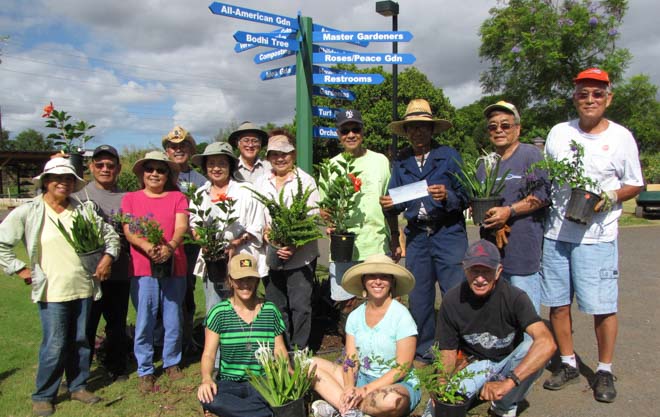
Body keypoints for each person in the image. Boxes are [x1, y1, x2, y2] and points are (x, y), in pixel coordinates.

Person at [541, 68, 644, 403]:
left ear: (608, 98)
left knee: (602, 306)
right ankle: (568, 363)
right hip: (556, 233)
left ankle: (603, 369)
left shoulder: (621, 137)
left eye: (597, 94)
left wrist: (611, 197)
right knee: (557, 304)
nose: (590, 99)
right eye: (583, 93)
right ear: (575, 97)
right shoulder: (559, 132)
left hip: (597, 236)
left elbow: (634, 183)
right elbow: (546, 178)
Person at [0, 157, 119, 417]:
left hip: (84, 286)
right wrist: (19, 269)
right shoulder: (29, 211)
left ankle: (78, 386)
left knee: (80, 341)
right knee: (54, 343)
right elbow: (2, 243)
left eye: (68, 179)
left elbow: (110, 236)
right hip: (52, 290)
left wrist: (107, 258)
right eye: (57, 178)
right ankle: (44, 395)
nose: (63, 183)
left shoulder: (83, 209)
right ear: (46, 182)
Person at [421, 240, 556, 417]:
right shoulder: (452, 300)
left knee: (534, 346)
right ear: (464, 269)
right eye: (474, 271)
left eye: (486, 271)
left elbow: (548, 343)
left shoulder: (515, 297)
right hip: (475, 364)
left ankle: (504, 405)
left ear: (499, 271)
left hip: (509, 362)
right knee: (435, 412)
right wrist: (441, 386)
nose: (480, 278)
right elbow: (448, 351)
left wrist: (509, 382)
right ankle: (475, 391)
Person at [380, 98, 469, 363]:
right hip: (417, 235)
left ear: (432, 130)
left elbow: (467, 196)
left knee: (454, 293)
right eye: (412, 128)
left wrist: (448, 196)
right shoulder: (401, 162)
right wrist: (388, 204)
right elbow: (395, 200)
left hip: (448, 232)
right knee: (419, 297)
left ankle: (458, 347)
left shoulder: (449, 156)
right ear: (406, 132)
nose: (417, 132)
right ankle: (425, 349)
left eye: (422, 127)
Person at [310, 254, 421, 417]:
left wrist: (365, 390)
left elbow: (401, 369)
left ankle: (342, 407)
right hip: (360, 378)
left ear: (392, 282)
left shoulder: (402, 316)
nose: (377, 281)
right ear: (363, 281)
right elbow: (350, 358)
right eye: (372, 276)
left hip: (396, 384)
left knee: (392, 401)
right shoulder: (355, 316)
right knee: (309, 364)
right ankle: (352, 408)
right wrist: (348, 386)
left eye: (384, 277)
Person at [318, 109, 397, 332]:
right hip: (344, 246)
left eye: (355, 129)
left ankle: (380, 348)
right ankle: (350, 350)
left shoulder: (380, 161)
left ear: (363, 131)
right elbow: (324, 207)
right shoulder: (331, 167)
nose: (351, 134)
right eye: (345, 130)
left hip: (375, 243)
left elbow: (389, 204)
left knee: (379, 299)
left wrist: (396, 238)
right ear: (338, 134)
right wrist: (329, 221)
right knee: (345, 301)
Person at [121, 151, 189, 393]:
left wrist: (169, 247)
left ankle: (172, 362)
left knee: (172, 316)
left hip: (174, 263)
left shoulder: (178, 197)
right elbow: (129, 230)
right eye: (150, 169)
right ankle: (146, 369)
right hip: (143, 266)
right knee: (145, 318)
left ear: (168, 174)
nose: (155, 174)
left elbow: (182, 225)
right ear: (142, 173)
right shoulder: (131, 198)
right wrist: (149, 247)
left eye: (161, 170)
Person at [479, 101, 550, 313]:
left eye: (505, 125)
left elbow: (542, 195)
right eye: (493, 126)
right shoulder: (485, 163)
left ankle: (532, 347)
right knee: (500, 314)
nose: (499, 130)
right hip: (492, 250)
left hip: (523, 250)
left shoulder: (530, 155)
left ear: (517, 129)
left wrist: (509, 211)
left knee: (526, 315)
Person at [197, 253, 287, 417]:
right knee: (209, 397)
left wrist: (286, 373)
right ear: (230, 281)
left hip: (263, 381)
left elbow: (280, 349)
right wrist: (206, 379)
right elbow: (209, 354)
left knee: (276, 396)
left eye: (250, 279)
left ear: (257, 280)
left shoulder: (270, 310)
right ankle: (265, 414)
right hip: (229, 383)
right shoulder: (219, 313)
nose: (245, 284)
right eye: (239, 279)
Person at [254, 130, 320, 349]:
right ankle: (281, 350)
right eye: (274, 154)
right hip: (271, 256)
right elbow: (258, 217)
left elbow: (312, 219)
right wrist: (267, 236)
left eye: (285, 153)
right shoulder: (262, 182)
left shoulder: (306, 181)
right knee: (276, 305)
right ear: (268, 157)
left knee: (300, 306)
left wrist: (294, 244)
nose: (280, 158)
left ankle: (300, 351)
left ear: (294, 154)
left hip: (301, 257)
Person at [75, 145, 131, 381]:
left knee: (116, 324)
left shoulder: (127, 198)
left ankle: (116, 366)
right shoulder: (78, 197)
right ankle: (80, 373)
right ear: (91, 167)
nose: (105, 169)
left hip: (119, 272)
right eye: (100, 165)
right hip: (88, 275)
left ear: (118, 168)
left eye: (110, 165)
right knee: (85, 326)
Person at [189, 141, 266, 312]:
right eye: (211, 163)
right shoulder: (199, 195)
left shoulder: (246, 191)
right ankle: (215, 339)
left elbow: (257, 225)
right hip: (213, 261)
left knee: (244, 307)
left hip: (242, 258)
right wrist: (205, 244)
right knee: (215, 307)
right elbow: (194, 225)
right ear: (205, 167)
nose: (216, 168)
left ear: (230, 166)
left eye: (222, 163)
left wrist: (236, 243)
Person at [162, 125, 206, 356]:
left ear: (190, 148)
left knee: (186, 292)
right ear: (167, 151)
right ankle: (164, 341)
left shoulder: (200, 180)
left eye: (183, 146)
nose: (178, 150)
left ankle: (186, 339)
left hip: (188, 245)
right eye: (173, 147)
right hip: (162, 242)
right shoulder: (160, 175)